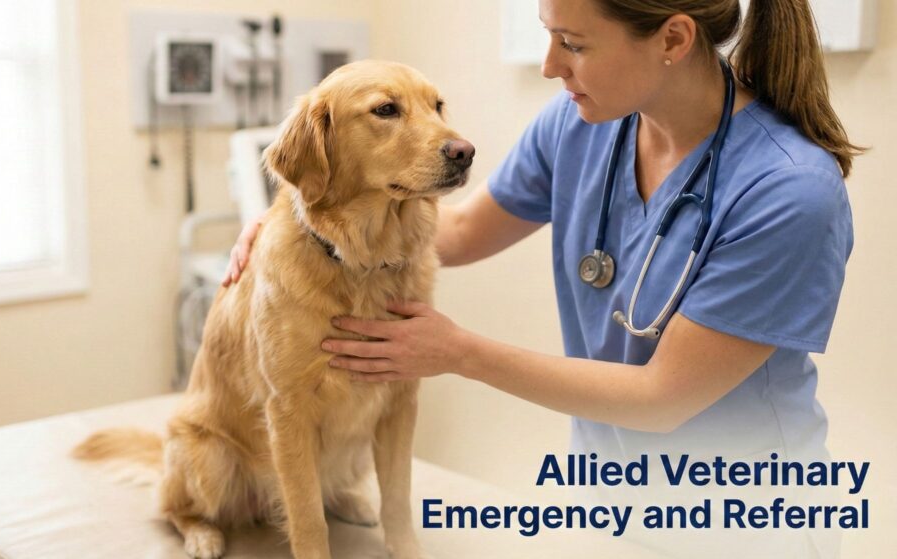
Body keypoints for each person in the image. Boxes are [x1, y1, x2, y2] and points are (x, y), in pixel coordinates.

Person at [223, 1, 859, 555]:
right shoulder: (579, 124)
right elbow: (462, 231)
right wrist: (301, 230)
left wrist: (458, 352)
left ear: (673, 39)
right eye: (548, 35)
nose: (552, 65)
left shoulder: (789, 192)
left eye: (574, 44)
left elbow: (665, 398)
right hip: (604, 501)